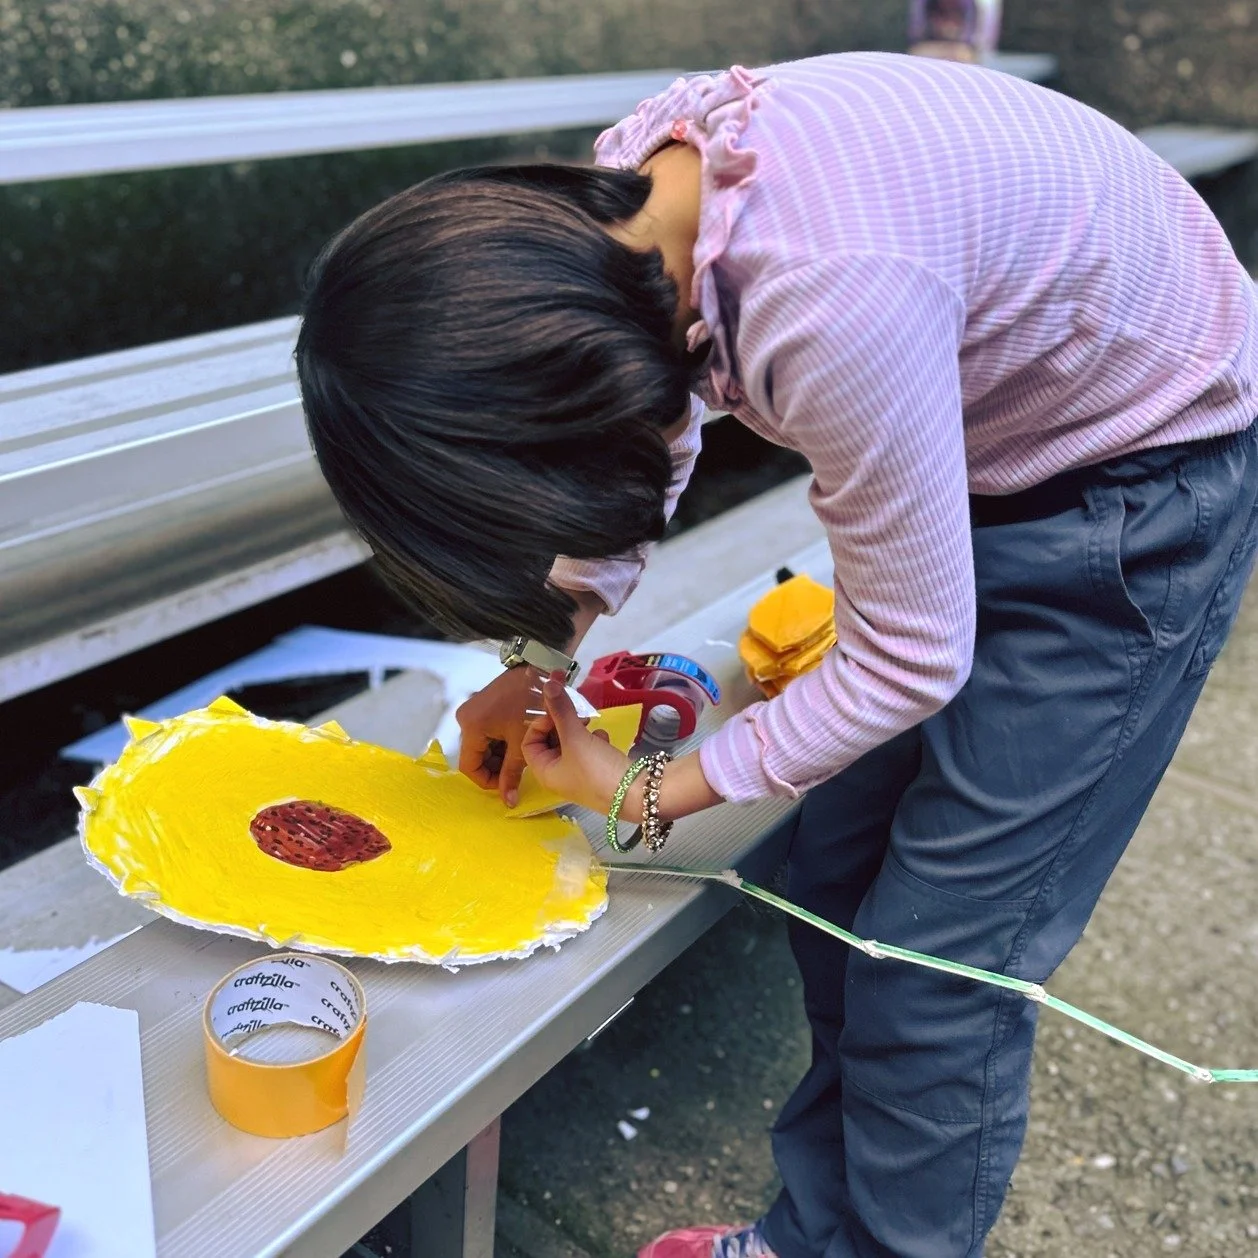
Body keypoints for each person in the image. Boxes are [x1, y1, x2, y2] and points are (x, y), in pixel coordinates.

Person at [295, 52, 1258, 1258]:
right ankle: (811, 1236)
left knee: (932, 963)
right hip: (1002, 430)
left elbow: (910, 659)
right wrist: (536, 662)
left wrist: (643, 789)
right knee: (836, 877)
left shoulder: (828, 303)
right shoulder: (628, 216)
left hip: (1135, 498)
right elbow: (653, 415)